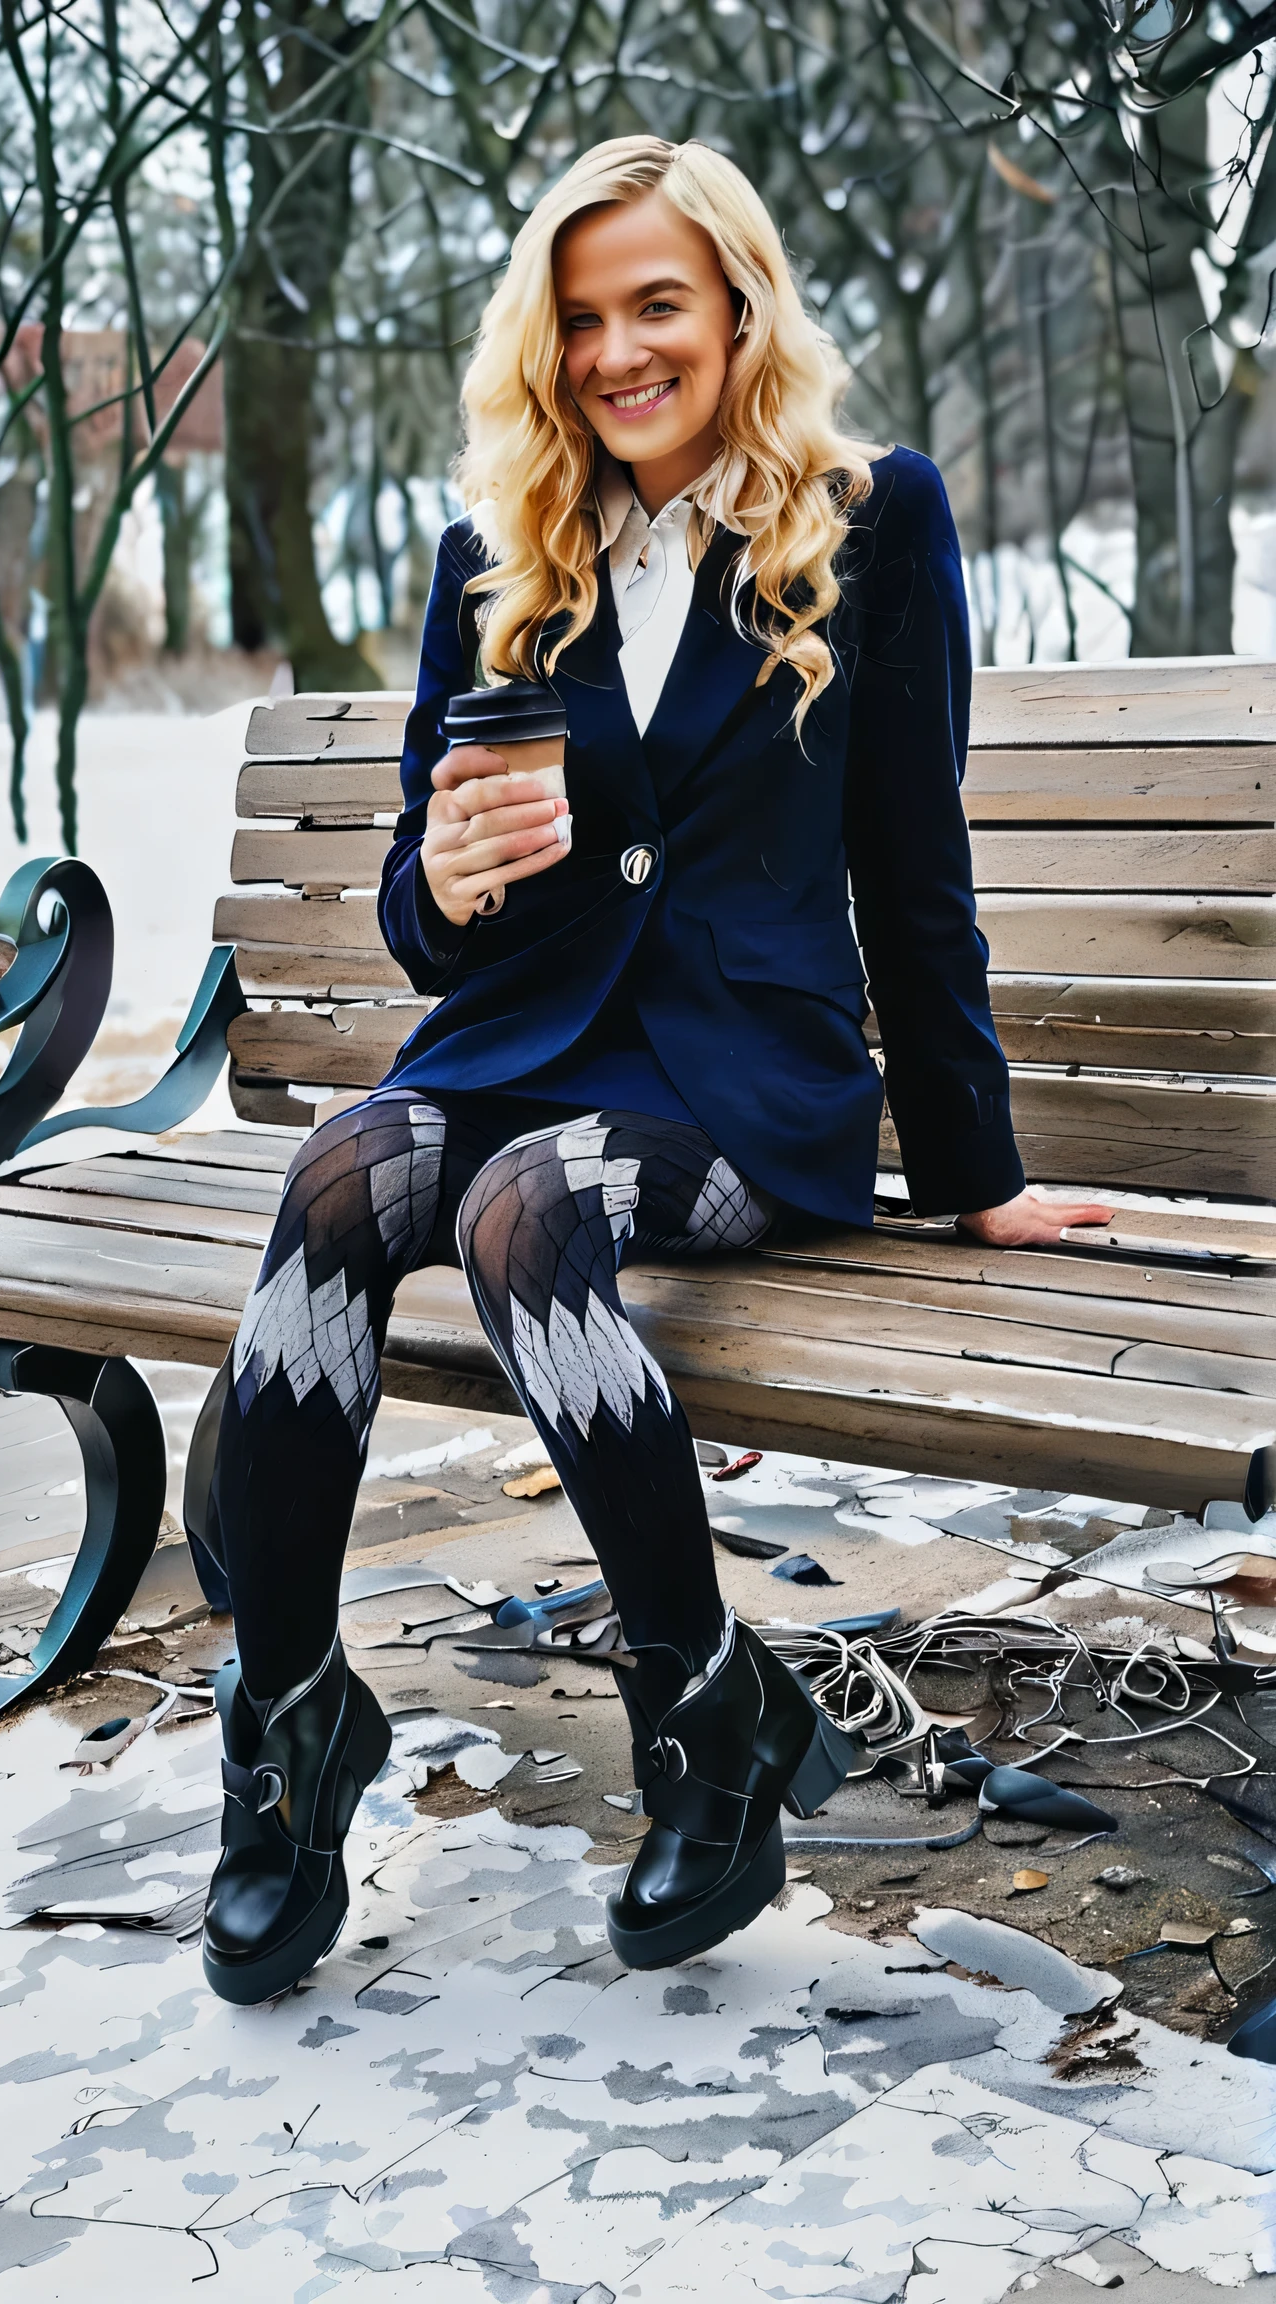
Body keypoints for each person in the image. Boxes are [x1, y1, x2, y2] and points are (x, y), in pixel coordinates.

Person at [198, 135, 1112, 2005]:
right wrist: (440, 891)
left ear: (738, 310)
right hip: (518, 1036)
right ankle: (289, 1732)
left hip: (736, 1088)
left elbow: (910, 869)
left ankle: (702, 1716)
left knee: (530, 1214)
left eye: (657, 307)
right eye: (584, 315)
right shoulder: (497, 549)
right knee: (337, 1186)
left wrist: (970, 1165)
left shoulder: (874, 518)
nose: (620, 351)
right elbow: (428, 894)